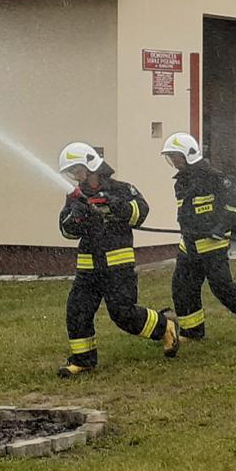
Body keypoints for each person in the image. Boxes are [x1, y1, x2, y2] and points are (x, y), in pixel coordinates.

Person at [55, 142, 177, 377]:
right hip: (88, 269)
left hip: (118, 267)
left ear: (91, 166)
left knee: (123, 315)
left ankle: (165, 327)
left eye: (78, 170)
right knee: (77, 311)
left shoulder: (122, 189)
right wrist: (74, 218)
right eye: (71, 173)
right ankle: (83, 360)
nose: (76, 177)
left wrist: (115, 204)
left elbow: (141, 212)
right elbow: (66, 232)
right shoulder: (75, 198)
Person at [161, 132, 236, 348]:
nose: (174, 161)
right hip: (189, 244)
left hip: (213, 245)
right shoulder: (181, 182)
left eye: (176, 156)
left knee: (223, 288)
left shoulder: (216, 178)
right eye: (171, 157)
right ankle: (193, 331)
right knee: (183, 287)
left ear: (189, 155)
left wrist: (219, 227)